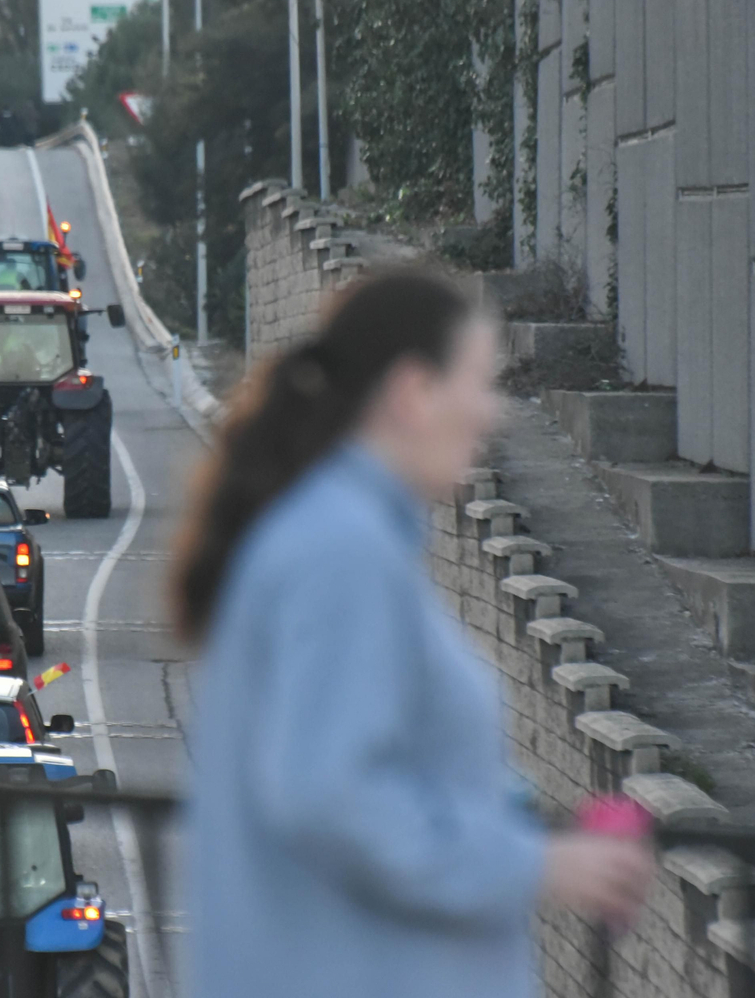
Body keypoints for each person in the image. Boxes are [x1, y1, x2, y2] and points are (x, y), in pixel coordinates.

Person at [174, 269, 654, 998]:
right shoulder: (341, 550)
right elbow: (327, 792)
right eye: (479, 382)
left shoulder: (335, 535)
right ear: (413, 393)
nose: (492, 413)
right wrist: (537, 866)